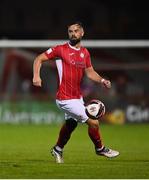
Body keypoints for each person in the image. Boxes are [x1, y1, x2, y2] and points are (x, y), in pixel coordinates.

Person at [33, 22, 119, 163]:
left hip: (77, 97)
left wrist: (102, 80)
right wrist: (36, 76)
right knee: (93, 122)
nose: (73, 33)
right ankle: (100, 149)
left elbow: (90, 73)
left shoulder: (85, 53)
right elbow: (38, 59)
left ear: (82, 33)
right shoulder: (60, 49)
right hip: (65, 98)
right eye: (70, 31)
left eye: (76, 31)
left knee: (71, 124)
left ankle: (58, 149)